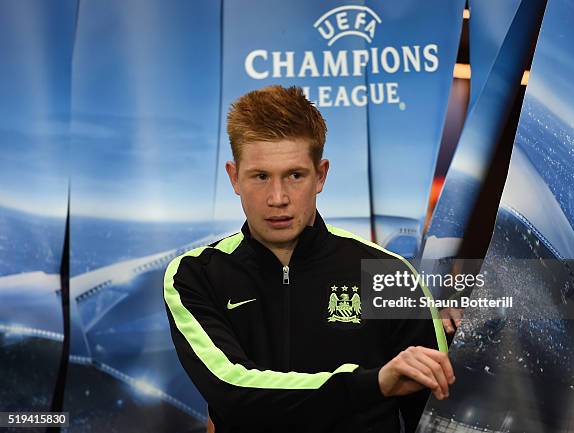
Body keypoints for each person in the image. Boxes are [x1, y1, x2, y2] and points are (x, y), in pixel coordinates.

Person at [163, 85, 454, 433]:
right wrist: (373, 384)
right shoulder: (197, 275)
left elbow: (436, 416)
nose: (278, 198)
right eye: (260, 176)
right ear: (233, 177)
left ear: (321, 175)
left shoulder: (387, 274)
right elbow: (233, 389)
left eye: (295, 175)